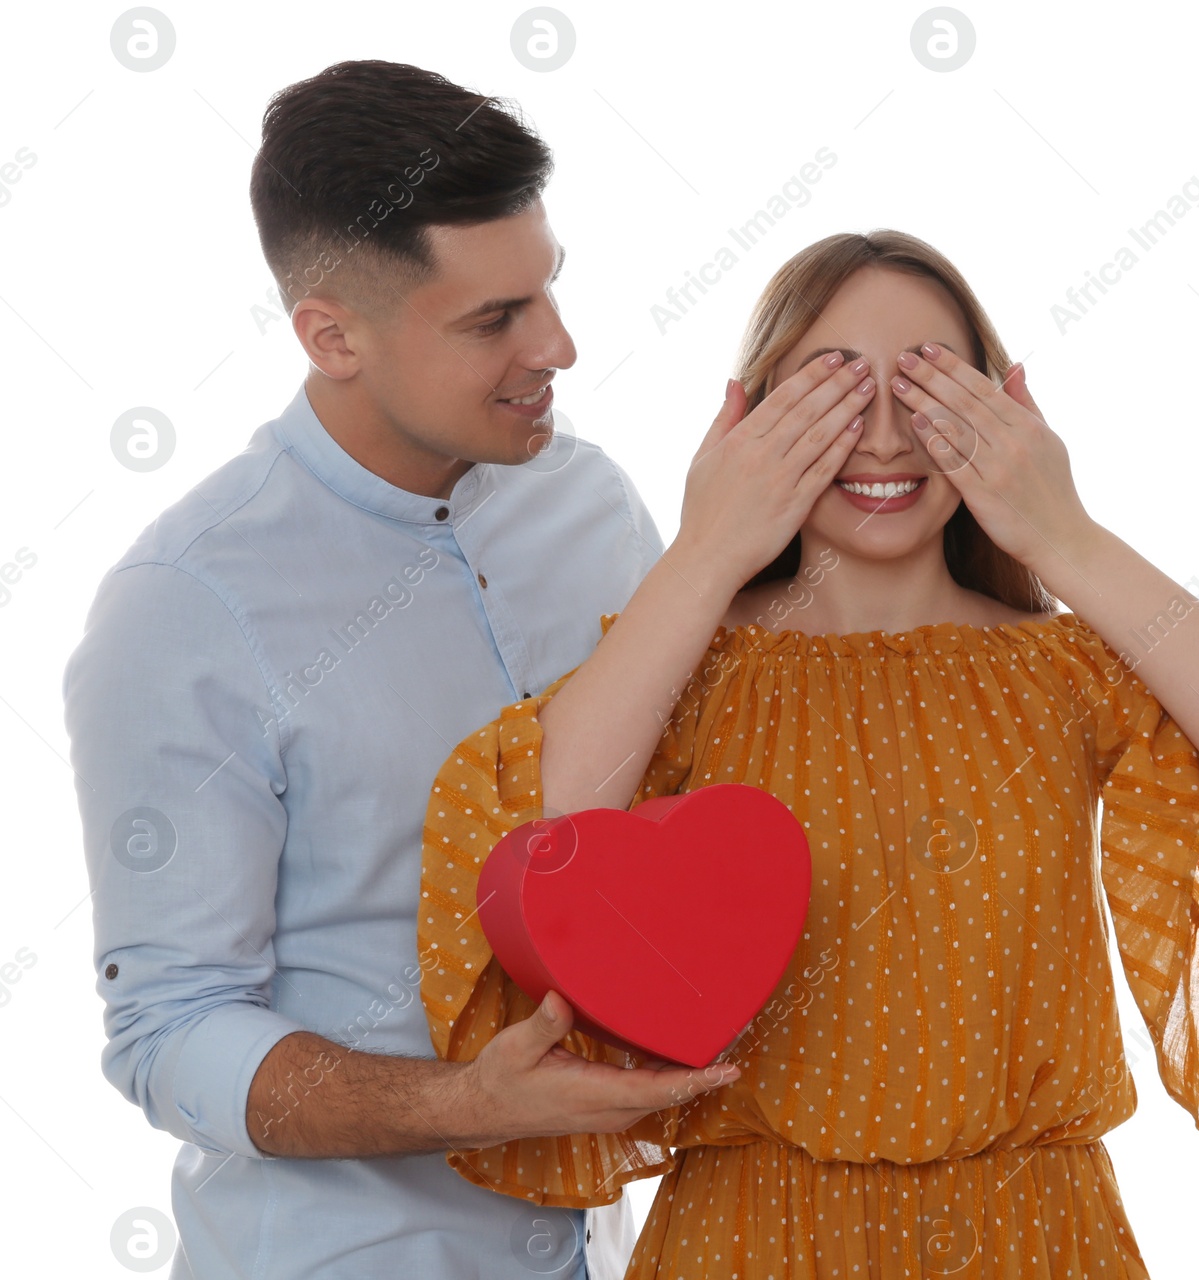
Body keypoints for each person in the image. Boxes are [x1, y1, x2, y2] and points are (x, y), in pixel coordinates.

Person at [417, 229, 1199, 1276]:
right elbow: (533, 842)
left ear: (998, 408)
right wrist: (706, 548)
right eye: (831, 391)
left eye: (927, 389)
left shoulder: (1068, 670)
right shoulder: (694, 669)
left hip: (1036, 1234)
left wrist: (1065, 534)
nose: (882, 438)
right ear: (751, 418)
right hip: (747, 1236)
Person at [61, 59, 736, 1280]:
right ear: (332, 335)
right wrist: (468, 1104)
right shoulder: (181, 611)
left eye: (547, 293)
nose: (560, 347)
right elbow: (170, 1030)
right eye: (494, 321)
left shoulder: (587, 501)